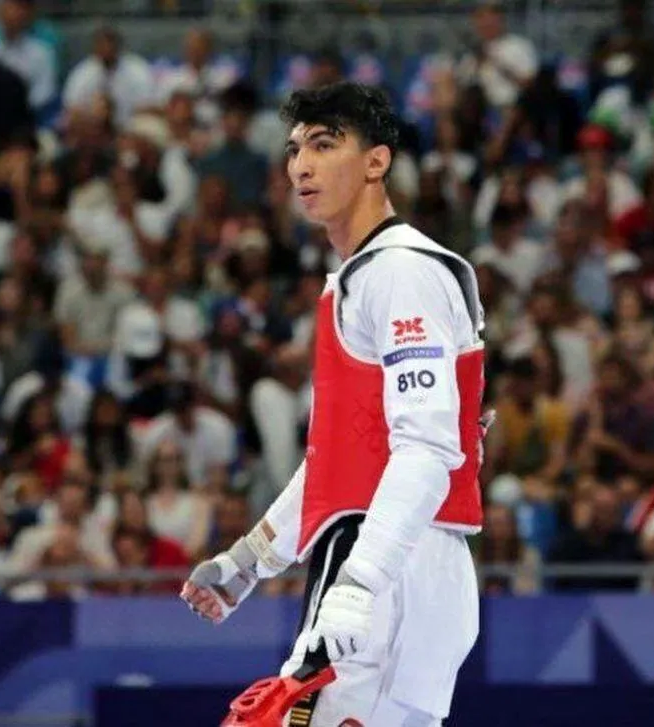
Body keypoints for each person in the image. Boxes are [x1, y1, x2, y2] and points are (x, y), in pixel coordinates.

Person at [180, 82, 487, 726]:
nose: (302, 166)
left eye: (324, 145)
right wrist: (248, 561)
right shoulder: (366, 276)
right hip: (408, 553)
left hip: (382, 554)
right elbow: (343, 460)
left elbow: (427, 449)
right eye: (295, 150)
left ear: (377, 162)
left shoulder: (399, 272)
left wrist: (359, 581)